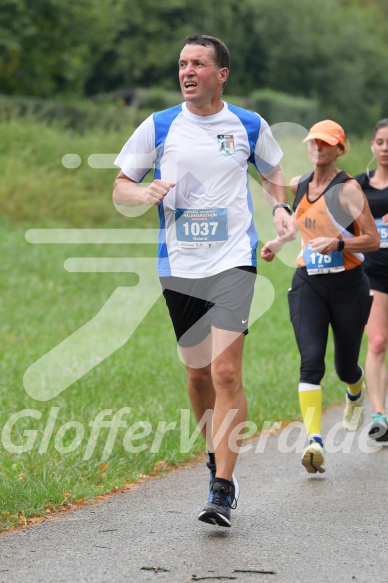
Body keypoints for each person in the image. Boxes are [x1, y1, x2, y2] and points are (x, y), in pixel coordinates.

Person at [112, 34, 295, 526]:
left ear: (221, 75)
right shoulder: (159, 126)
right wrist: (143, 191)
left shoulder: (249, 125)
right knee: (197, 376)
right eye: (182, 64)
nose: (187, 71)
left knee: (226, 372)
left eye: (197, 64)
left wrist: (279, 205)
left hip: (235, 259)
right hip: (179, 264)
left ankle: (222, 488)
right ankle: (217, 454)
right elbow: (121, 185)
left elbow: (274, 172)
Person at [261, 119, 379, 473]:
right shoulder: (299, 185)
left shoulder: (349, 191)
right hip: (308, 283)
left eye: (326, 143)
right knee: (311, 361)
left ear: (339, 149)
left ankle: (356, 390)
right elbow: (299, 221)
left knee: (344, 366)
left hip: (348, 285)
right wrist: (278, 241)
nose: (318, 148)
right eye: (313, 142)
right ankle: (315, 440)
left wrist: (340, 243)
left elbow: (372, 240)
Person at [355, 119, 388, 440]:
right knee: (377, 342)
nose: (386, 148)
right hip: (373, 272)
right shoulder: (359, 185)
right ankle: (380, 415)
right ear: (372, 146)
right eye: (381, 142)